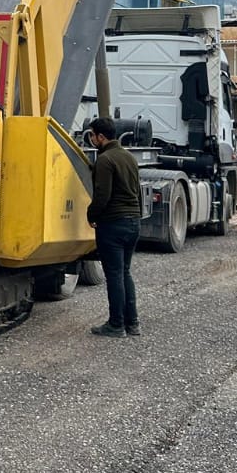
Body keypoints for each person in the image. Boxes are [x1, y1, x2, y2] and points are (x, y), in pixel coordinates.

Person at [85, 116, 143, 340]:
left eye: (92, 135)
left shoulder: (105, 160)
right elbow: (137, 191)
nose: (91, 139)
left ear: (101, 137)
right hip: (133, 221)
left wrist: (91, 215)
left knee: (115, 275)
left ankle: (116, 325)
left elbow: (102, 196)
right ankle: (133, 323)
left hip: (113, 224)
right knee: (125, 272)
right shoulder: (129, 157)